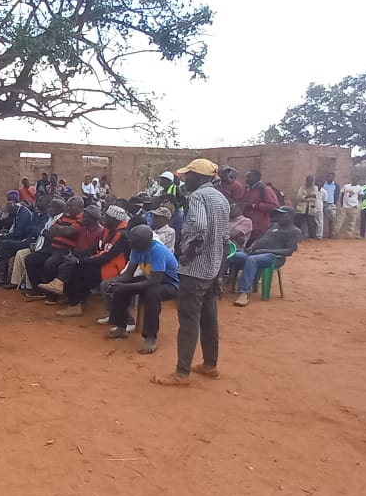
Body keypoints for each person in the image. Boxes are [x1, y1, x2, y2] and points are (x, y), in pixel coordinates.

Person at [155, 158, 229, 387]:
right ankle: (210, 364)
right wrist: (220, 271)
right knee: (209, 318)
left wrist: (187, 252)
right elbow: (225, 239)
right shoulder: (221, 199)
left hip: (194, 270)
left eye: (189, 175)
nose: (185, 179)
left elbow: (198, 226)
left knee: (188, 320)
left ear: (199, 177)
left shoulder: (197, 197)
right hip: (212, 268)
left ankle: (181, 373)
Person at [105, 225, 179, 354]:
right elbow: (128, 274)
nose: (130, 243)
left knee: (151, 294)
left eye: (133, 241)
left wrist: (125, 286)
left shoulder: (157, 251)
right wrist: (115, 282)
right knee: (119, 289)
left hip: (168, 284)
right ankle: (121, 327)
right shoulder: (137, 248)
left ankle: (150, 338)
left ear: (144, 242)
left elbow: (154, 281)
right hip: (150, 279)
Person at [56, 205, 131, 318]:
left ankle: (75, 304)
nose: (103, 218)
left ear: (115, 220)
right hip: (103, 264)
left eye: (107, 217)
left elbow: (106, 257)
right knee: (75, 266)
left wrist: (79, 261)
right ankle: (75, 298)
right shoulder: (108, 229)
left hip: (113, 269)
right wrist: (76, 254)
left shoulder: (123, 236)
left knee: (79, 271)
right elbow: (94, 248)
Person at [230, 207, 301, 306]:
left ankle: (244, 293)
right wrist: (253, 246)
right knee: (232, 255)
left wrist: (265, 251)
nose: (279, 216)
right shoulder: (273, 225)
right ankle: (218, 285)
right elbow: (261, 238)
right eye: (279, 214)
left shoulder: (294, 231)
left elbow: (289, 251)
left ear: (291, 216)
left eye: (282, 214)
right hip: (254, 253)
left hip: (273, 257)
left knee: (251, 260)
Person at [24, 196, 83, 299]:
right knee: (31, 259)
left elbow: (70, 232)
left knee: (50, 263)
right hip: (53, 248)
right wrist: (64, 229)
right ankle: (38, 290)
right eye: (67, 205)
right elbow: (51, 229)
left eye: (70, 206)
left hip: (66, 250)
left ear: (79, 207)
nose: (67, 208)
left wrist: (60, 229)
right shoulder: (65, 215)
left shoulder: (81, 217)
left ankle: (52, 294)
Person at [9, 197, 64, 290]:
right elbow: (39, 232)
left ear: (59, 209)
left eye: (52, 207)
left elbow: (49, 236)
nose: (49, 209)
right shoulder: (50, 218)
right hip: (38, 246)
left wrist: (41, 232)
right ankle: (18, 282)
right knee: (21, 254)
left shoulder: (60, 220)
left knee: (30, 259)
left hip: (49, 250)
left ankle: (36, 288)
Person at [0, 190, 33, 279]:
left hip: (23, 239)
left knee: (3, 244)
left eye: (10, 200)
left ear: (15, 202)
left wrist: (5, 236)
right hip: (16, 237)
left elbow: (18, 233)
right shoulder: (17, 212)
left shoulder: (23, 213)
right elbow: (0, 227)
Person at [239, 169, 280, 238]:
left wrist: (254, 205)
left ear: (256, 178)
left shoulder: (265, 189)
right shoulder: (246, 189)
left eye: (248, 177)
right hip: (246, 225)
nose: (246, 179)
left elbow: (273, 206)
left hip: (259, 225)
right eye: (246, 177)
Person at [322, 173, 338, 238]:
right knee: (322, 219)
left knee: (332, 220)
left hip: (331, 204)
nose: (329, 178)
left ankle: (331, 234)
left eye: (331, 177)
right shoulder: (323, 184)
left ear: (333, 178)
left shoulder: (336, 185)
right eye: (328, 177)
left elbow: (337, 194)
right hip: (323, 204)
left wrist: (334, 202)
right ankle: (322, 233)